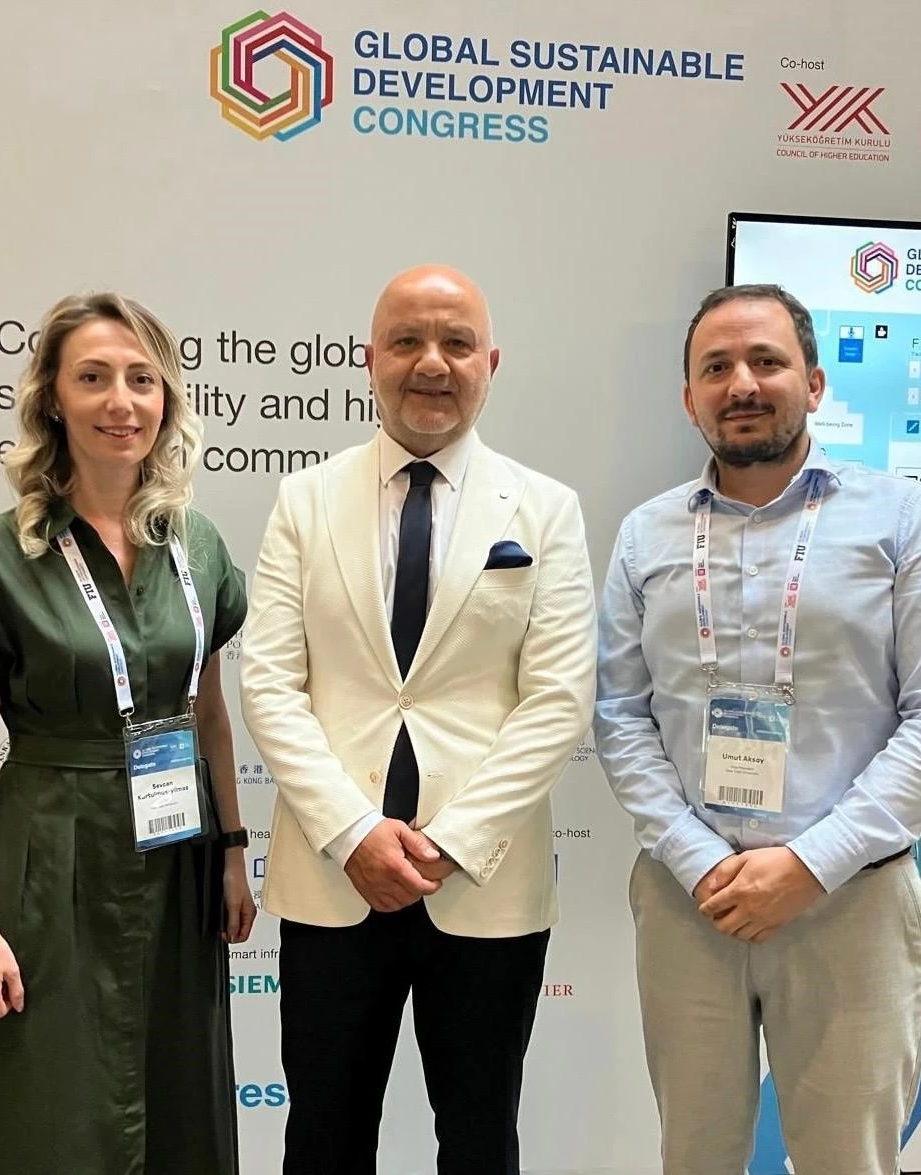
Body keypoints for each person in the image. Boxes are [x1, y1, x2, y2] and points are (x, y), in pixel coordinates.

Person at [593, 283, 921, 1175]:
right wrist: (698, 859)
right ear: (688, 397)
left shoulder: (903, 519)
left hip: (850, 900)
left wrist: (809, 864)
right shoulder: (645, 534)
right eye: (715, 367)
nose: (741, 383)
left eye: (764, 361)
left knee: (848, 1160)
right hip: (690, 901)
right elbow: (619, 715)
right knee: (694, 1157)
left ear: (812, 382)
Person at [239, 264, 597, 1174]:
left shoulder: (545, 510)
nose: (431, 363)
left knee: (479, 1140)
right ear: (370, 359)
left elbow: (557, 698)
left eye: (456, 343)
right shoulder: (304, 500)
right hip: (333, 876)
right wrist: (354, 832)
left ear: (490, 363)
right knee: (322, 1138)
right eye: (407, 341)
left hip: (483, 883)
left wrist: (451, 841)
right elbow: (271, 683)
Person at [0, 292, 256, 1174]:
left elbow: (209, 714)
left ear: (166, 398)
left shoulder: (197, 546)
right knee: (45, 1110)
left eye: (142, 379)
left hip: (175, 857)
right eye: (94, 378)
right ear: (53, 400)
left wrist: (231, 852)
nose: (121, 401)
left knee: (173, 1100)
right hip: (48, 858)